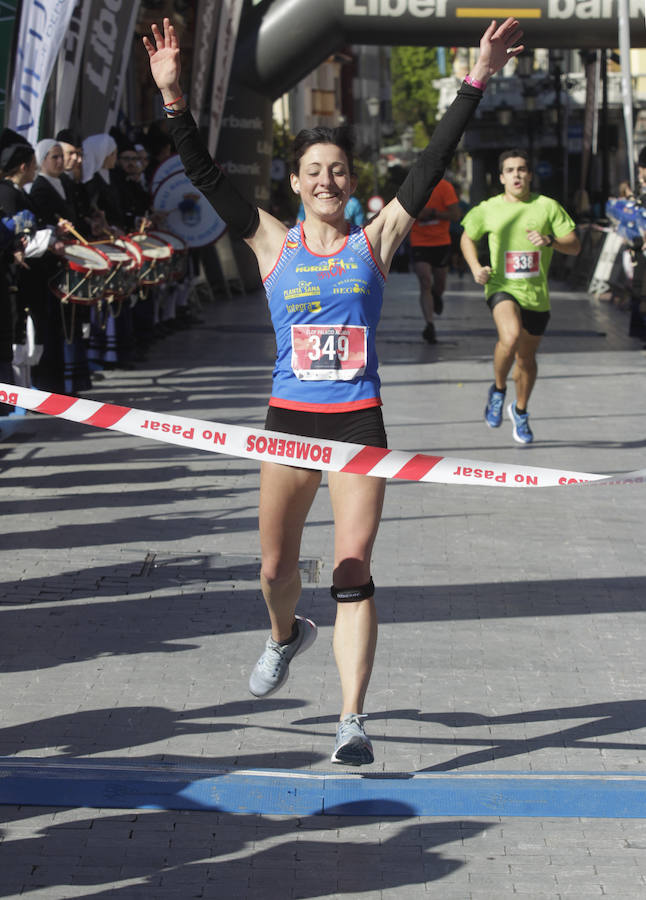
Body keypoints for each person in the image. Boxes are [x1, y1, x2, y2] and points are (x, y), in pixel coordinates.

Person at [144, 16, 523, 764]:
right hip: (287, 424)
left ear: (352, 185)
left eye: (339, 172)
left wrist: (476, 78)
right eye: (313, 170)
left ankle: (351, 719)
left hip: (358, 428)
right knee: (276, 570)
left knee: (351, 569)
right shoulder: (269, 242)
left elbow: (432, 160)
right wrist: (173, 97)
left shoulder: (374, 241)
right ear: (294, 182)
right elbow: (207, 176)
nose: (326, 180)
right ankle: (286, 635)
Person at [460, 149, 580, 444]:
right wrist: (476, 268)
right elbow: (466, 236)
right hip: (502, 286)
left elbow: (574, 245)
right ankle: (498, 389)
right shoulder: (488, 208)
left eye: (522, 169)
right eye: (510, 170)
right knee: (510, 336)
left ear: (530, 174)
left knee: (526, 359)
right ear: (501, 177)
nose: (517, 175)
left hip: (536, 294)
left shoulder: (547, 207)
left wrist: (550, 240)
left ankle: (521, 410)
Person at [409, 177, 461, 343]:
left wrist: (434, 213)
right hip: (419, 242)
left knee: (440, 283)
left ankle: (436, 296)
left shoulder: (445, 187)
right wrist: (417, 214)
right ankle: (429, 325)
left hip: (441, 242)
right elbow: (402, 213)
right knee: (425, 280)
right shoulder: (413, 187)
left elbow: (456, 214)